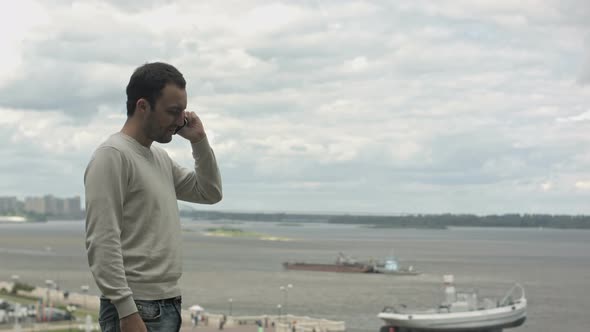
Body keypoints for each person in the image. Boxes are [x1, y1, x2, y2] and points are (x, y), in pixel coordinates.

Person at [85, 62, 223, 332]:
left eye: (183, 111)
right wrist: (127, 312)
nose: (181, 120)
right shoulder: (112, 156)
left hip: (166, 301)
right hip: (137, 307)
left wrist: (199, 140)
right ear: (143, 106)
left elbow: (210, 192)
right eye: (173, 112)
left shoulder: (158, 157)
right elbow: (102, 240)